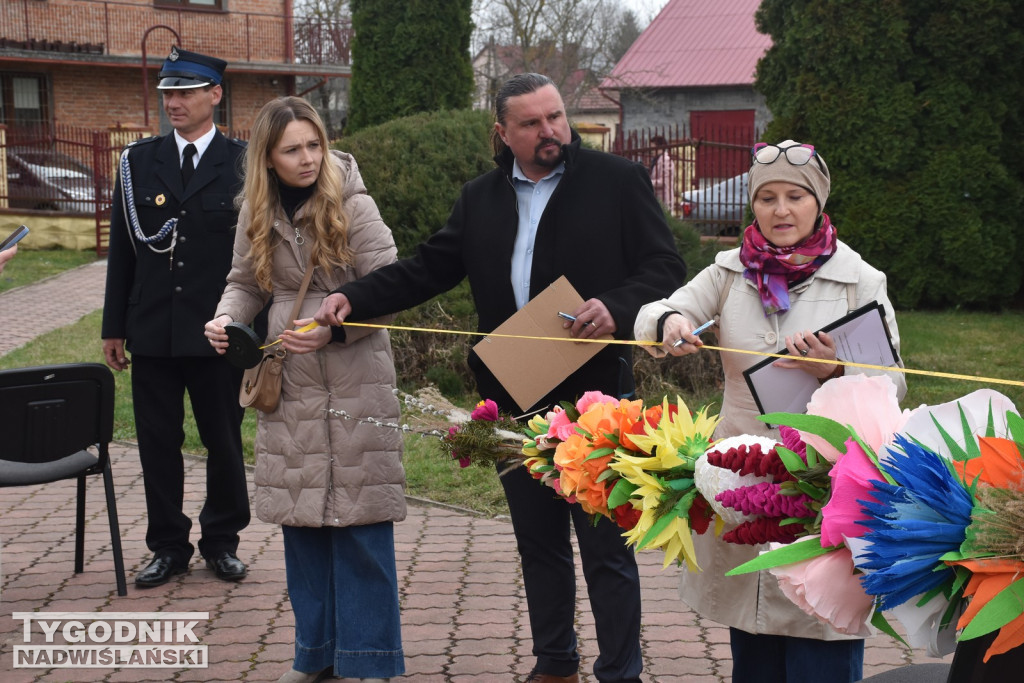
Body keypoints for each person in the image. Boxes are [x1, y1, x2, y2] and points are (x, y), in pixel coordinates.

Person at [314, 73, 687, 683]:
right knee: (539, 545)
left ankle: (621, 671)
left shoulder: (617, 182)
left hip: (598, 396)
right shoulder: (480, 197)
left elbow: (665, 266)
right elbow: (426, 269)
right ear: (502, 132)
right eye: (533, 123)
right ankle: (555, 663)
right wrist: (351, 297)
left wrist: (616, 306)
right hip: (514, 394)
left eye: (557, 118)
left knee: (604, 548)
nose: (551, 132)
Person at [634, 140, 906, 683]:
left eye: (796, 196)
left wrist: (834, 371)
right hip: (744, 484)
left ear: (819, 203)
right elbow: (659, 309)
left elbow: (893, 384)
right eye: (768, 198)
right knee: (754, 640)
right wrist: (669, 323)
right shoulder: (729, 273)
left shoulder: (860, 280)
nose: (781, 210)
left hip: (822, 489)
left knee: (820, 636)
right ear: (752, 206)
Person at [204, 97, 405, 683]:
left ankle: (369, 664)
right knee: (304, 526)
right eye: (293, 149)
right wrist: (225, 320)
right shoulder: (257, 211)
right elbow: (245, 282)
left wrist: (335, 328)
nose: (308, 158)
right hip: (287, 382)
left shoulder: (353, 202)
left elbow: (390, 284)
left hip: (355, 378)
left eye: (314, 144)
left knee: (362, 527)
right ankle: (315, 657)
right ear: (267, 157)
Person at [101, 46, 250, 588]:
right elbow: (123, 250)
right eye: (168, 93)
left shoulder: (243, 162)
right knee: (157, 443)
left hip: (216, 332)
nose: (174, 102)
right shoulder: (139, 162)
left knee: (224, 441)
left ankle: (222, 541)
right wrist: (113, 326)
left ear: (215, 94)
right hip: (154, 331)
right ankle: (167, 545)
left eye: (186, 91)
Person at [648, 135, 675, 210]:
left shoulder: (666, 160)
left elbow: (663, 182)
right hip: (656, 199)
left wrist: (648, 181)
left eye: (653, 148)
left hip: (664, 200)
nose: (651, 150)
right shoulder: (656, 160)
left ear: (660, 147)